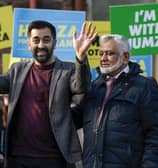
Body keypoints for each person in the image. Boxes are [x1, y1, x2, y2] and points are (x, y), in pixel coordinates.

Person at [0, 20, 98, 168]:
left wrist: (81, 57)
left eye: (46, 40)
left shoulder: (68, 69)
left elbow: (81, 86)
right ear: (29, 43)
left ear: (55, 43)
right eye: (36, 40)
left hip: (55, 158)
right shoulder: (17, 70)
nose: (41, 45)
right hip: (17, 158)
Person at [72, 34, 158, 168]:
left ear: (126, 57)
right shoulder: (94, 87)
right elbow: (73, 120)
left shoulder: (144, 86)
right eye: (101, 54)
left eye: (110, 54)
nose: (103, 58)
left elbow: (156, 134)